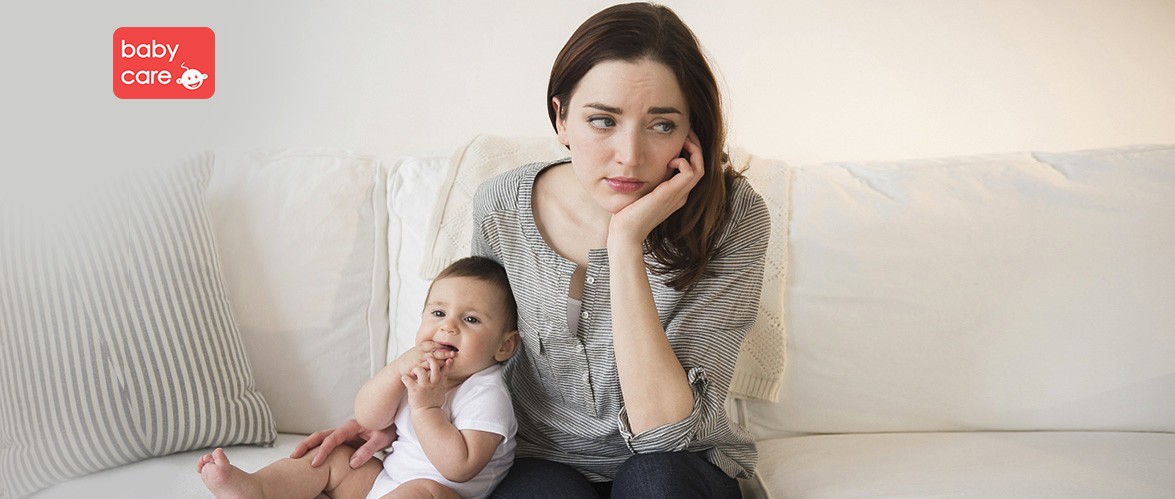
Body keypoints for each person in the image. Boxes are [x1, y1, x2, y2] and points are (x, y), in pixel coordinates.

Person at [293, 3, 769, 498]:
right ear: (561, 119)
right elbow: (478, 347)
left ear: (693, 129)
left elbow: (663, 433)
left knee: (655, 480)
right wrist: (396, 420)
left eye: (662, 125)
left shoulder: (732, 218)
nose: (629, 154)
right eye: (603, 121)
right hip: (543, 459)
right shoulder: (503, 206)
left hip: (677, 464)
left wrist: (625, 242)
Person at [198, 256, 520, 499]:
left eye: (471, 319)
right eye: (438, 313)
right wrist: (396, 371)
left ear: (504, 346)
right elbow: (368, 416)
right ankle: (259, 488)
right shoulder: (417, 371)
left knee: (423, 491)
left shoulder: (486, 393)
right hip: (383, 482)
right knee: (334, 458)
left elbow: (459, 467)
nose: (448, 327)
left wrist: (426, 410)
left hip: (440, 494)